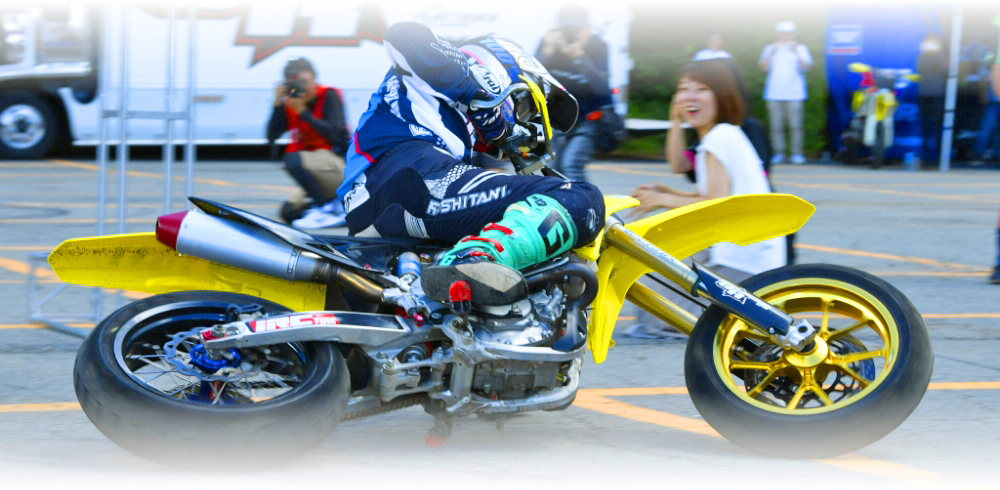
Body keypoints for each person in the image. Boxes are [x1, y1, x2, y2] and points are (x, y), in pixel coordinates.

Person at [338, 22, 605, 302]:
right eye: (524, 108)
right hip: (406, 174)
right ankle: (472, 259)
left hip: (392, 195)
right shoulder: (445, 71)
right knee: (580, 197)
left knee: (525, 217)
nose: (519, 123)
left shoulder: (450, 121)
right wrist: (476, 94)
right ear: (495, 75)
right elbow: (401, 33)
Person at [624, 60, 786, 338]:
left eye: (701, 89)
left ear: (722, 95)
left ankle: (714, 325)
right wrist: (668, 194)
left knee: (649, 290)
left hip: (740, 260)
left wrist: (661, 199)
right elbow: (714, 194)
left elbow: (715, 203)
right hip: (750, 256)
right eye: (684, 89)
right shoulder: (723, 134)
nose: (690, 96)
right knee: (653, 271)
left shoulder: (719, 139)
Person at [267, 58, 350, 229]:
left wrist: (304, 113)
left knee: (292, 159)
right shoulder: (291, 103)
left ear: (314, 79)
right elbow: (271, 136)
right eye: (297, 84)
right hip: (315, 169)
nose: (303, 88)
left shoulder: (329, 95)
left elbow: (336, 135)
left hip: (340, 167)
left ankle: (325, 209)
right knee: (288, 212)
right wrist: (277, 105)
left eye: (305, 82)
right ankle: (335, 206)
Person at [534, 4, 612, 183]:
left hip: (588, 118)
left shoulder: (598, 46)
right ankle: (560, 199)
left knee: (572, 165)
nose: (570, 34)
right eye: (566, 29)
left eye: (576, 29)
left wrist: (580, 57)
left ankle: (585, 200)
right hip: (554, 117)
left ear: (586, 28)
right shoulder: (549, 44)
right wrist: (546, 53)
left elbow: (602, 87)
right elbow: (529, 80)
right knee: (552, 169)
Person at [758, 21, 812, 165]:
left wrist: (796, 52)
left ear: (793, 34)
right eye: (782, 33)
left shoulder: (800, 48)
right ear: (778, 34)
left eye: (788, 33)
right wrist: (772, 52)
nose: (785, 36)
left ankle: (797, 153)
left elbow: (806, 67)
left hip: (795, 93)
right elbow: (763, 67)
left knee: (796, 125)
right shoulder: (770, 48)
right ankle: (779, 153)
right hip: (773, 93)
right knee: (776, 126)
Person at [916, 34, 947, 165]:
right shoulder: (922, 55)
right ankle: (925, 157)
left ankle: (939, 158)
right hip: (924, 93)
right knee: (925, 127)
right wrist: (926, 54)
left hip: (937, 94)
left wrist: (937, 53)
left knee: (938, 126)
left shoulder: (941, 54)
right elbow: (919, 68)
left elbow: (943, 68)